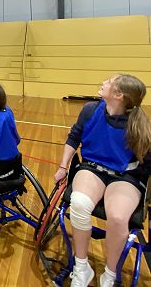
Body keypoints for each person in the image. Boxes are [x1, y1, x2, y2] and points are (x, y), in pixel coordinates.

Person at [53, 74, 151, 287]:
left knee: (118, 217)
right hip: (92, 168)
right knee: (79, 202)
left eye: (109, 82)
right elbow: (73, 138)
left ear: (119, 95)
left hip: (125, 176)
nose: (104, 83)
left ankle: (110, 274)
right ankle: (82, 267)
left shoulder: (138, 124)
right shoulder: (90, 110)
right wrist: (63, 166)